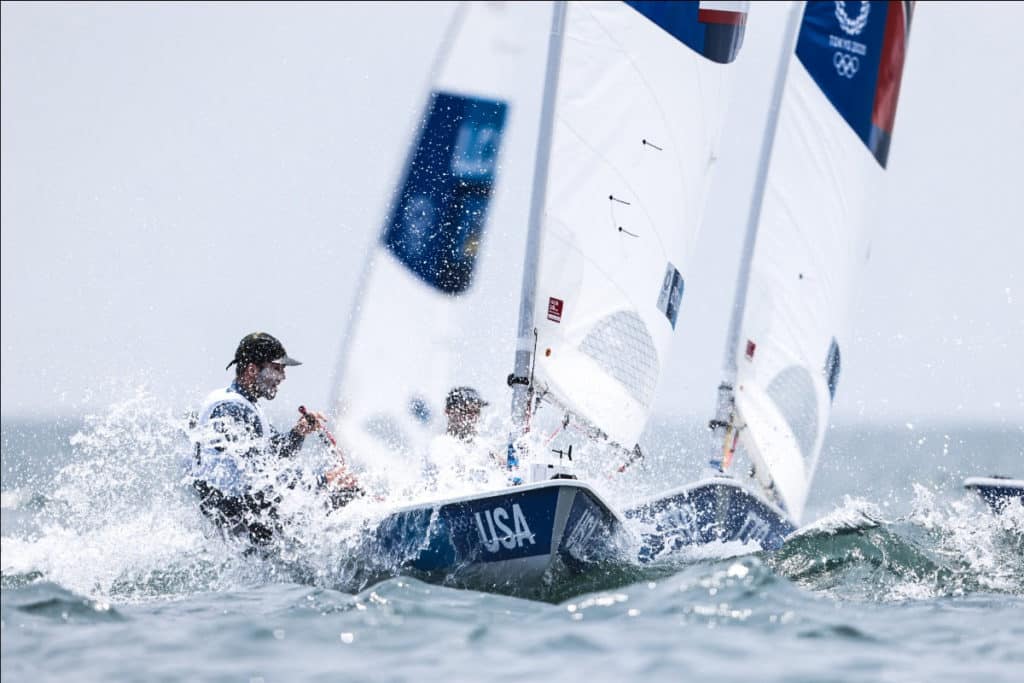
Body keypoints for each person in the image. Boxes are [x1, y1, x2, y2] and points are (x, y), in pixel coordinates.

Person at [190, 332, 356, 547]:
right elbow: (261, 471)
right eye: (277, 368)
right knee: (342, 492)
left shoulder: (243, 403)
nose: (283, 377)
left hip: (244, 513)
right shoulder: (231, 409)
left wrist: (298, 432)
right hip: (239, 516)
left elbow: (275, 456)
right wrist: (322, 482)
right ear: (252, 370)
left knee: (330, 493)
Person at [424, 386, 504, 488]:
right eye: (466, 411)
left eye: (476, 412)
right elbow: (449, 484)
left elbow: (508, 470)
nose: (472, 417)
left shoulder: (483, 445)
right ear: (448, 412)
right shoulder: (440, 445)